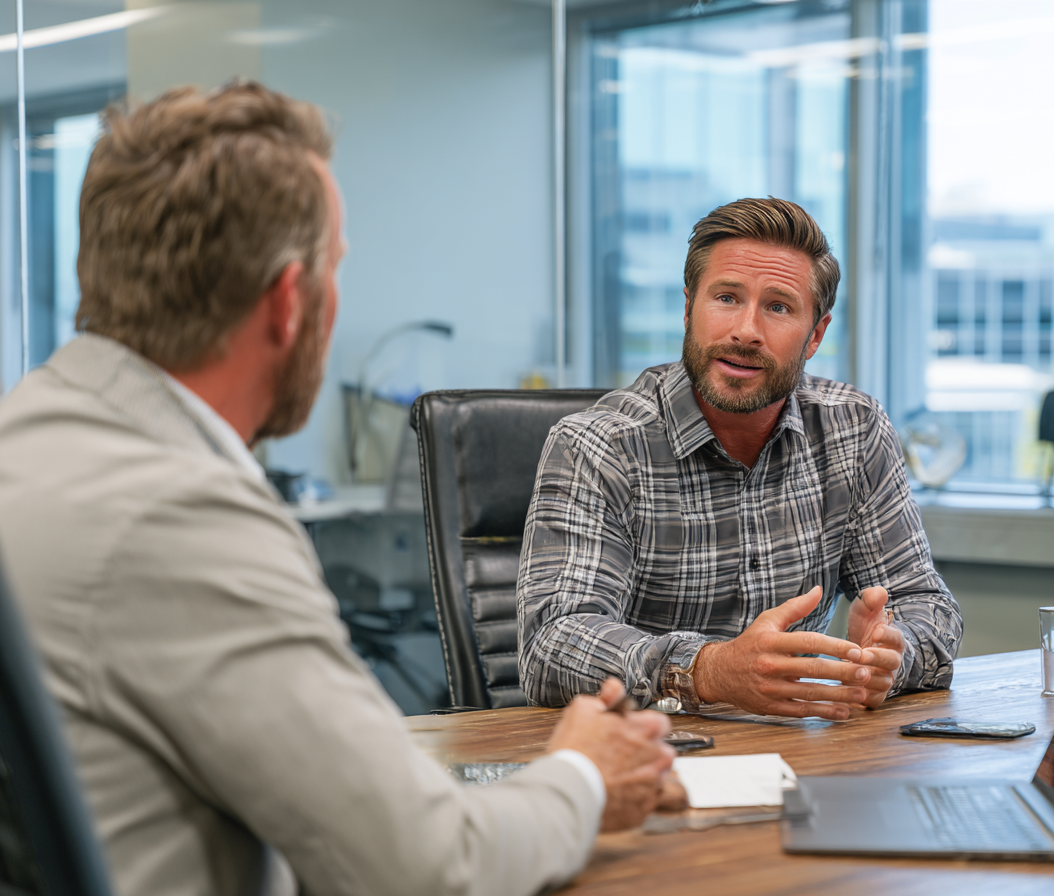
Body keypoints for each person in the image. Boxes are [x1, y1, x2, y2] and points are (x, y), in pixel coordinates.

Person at [0, 82, 673, 896]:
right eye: (338, 268)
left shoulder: (31, 435)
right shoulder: (179, 517)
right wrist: (583, 775)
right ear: (290, 301)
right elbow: (428, 866)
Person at [518, 198, 963, 720]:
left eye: (778, 307)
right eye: (727, 298)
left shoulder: (853, 429)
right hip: (644, 754)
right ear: (688, 310)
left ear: (815, 334)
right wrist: (707, 670)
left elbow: (927, 607)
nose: (746, 331)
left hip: (799, 752)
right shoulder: (599, 445)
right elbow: (552, 644)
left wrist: (890, 653)